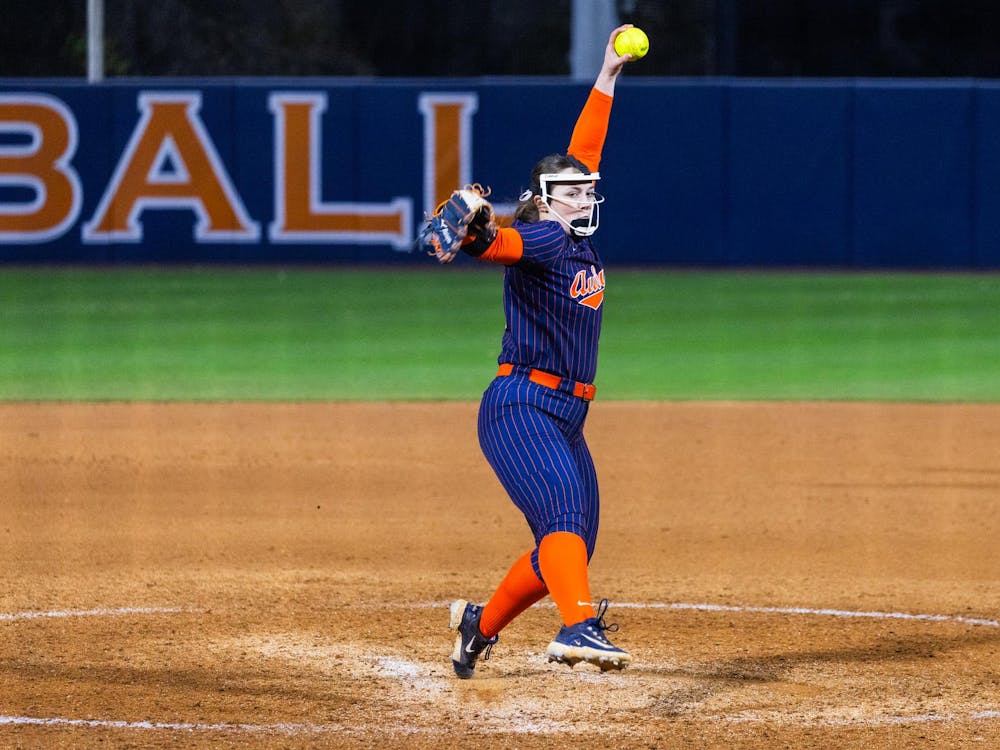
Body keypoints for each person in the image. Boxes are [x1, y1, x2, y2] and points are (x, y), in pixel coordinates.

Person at [438, 25, 638, 679]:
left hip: (566, 416)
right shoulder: (547, 237)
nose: (584, 196)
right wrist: (476, 235)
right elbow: (504, 245)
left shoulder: (572, 236)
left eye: (587, 190)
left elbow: (584, 152)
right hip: (522, 405)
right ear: (546, 202)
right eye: (571, 192)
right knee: (564, 519)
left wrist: (606, 76)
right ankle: (578, 628)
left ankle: (478, 626)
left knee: (569, 542)